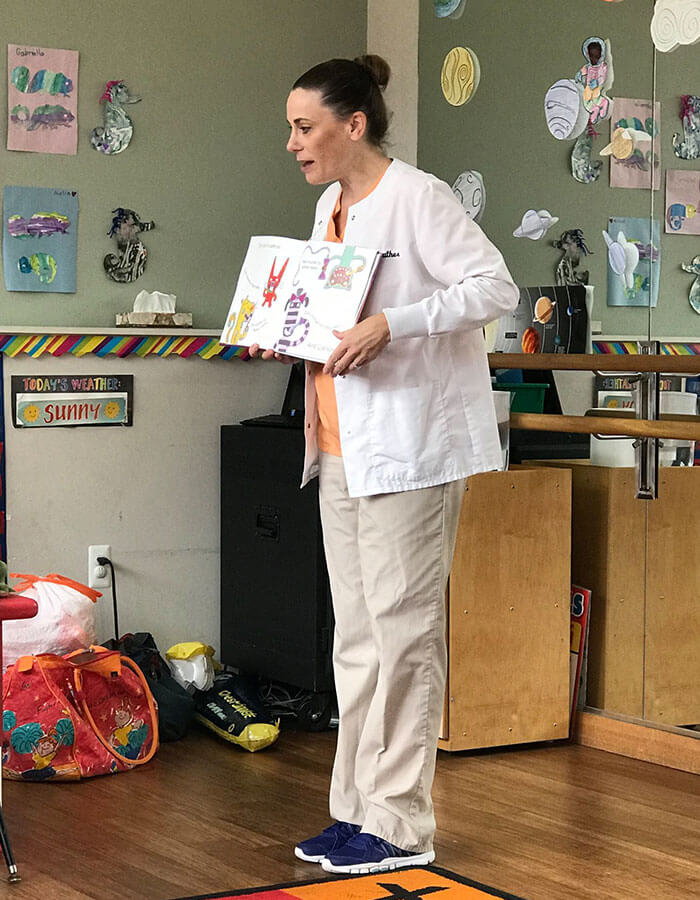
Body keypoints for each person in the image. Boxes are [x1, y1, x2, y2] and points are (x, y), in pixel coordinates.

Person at [250, 54, 519, 875]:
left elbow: (494, 286)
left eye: (305, 127)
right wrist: (284, 334)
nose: (293, 143)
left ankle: (401, 826)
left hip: (411, 451)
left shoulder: (418, 197)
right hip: (339, 451)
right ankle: (355, 814)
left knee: (404, 640)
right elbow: (330, 314)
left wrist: (393, 324)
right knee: (358, 642)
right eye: (292, 129)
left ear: (353, 124)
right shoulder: (330, 206)